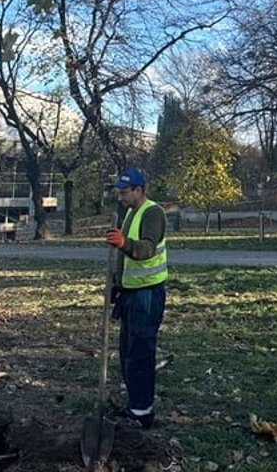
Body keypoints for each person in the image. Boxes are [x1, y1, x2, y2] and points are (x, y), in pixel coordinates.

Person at [105, 168, 168, 429]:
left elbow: (146, 249)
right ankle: (134, 405)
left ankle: (142, 413)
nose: (120, 196)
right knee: (128, 352)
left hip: (147, 294)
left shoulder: (152, 212)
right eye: (119, 192)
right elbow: (125, 257)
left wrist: (124, 244)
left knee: (141, 353)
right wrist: (115, 285)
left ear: (139, 190)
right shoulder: (130, 211)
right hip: (131, 292)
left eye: (125, 192)